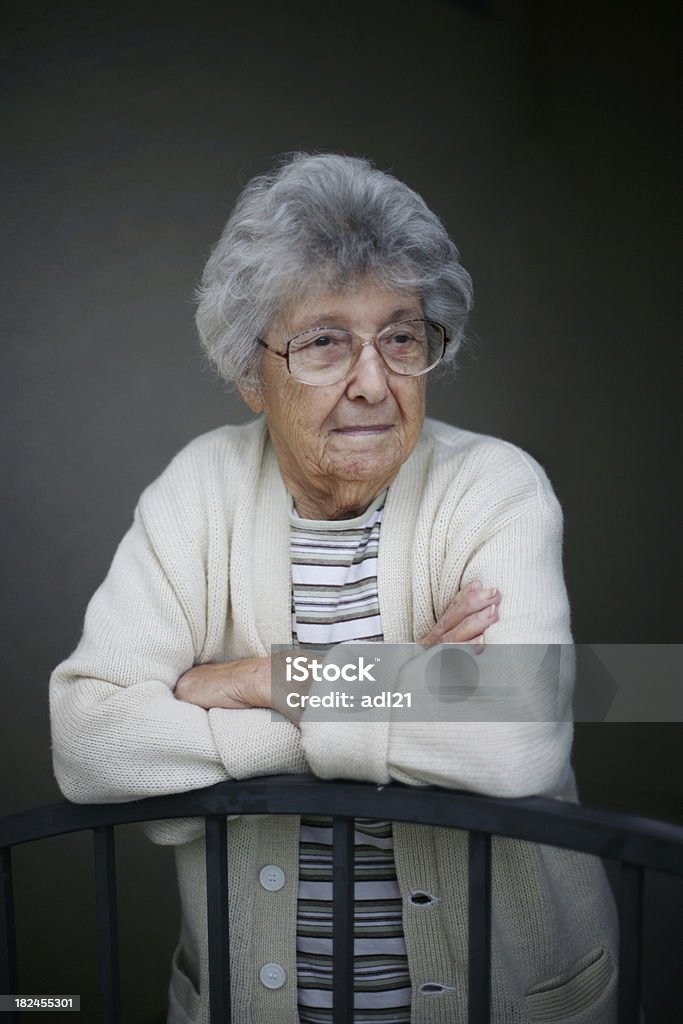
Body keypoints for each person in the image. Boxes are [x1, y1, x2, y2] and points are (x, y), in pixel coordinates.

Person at [50, 153, 617, 1023]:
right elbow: (91, 744)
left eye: (399, 336)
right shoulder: (195, 492)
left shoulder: (494, 487)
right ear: (251, 374)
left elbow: (519, 735)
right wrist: (405, 681)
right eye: (321, 342)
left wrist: (264, 682)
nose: (371, 381)